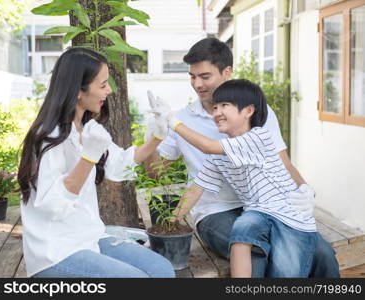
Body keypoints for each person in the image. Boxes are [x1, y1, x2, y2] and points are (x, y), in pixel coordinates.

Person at [145, 37, 339, 277]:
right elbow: (161, 174)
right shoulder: (181, 119)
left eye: (205, 76)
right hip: (216, 211)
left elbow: (283, 162)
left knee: (322, 253)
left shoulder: (258, 117)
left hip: (266, 207)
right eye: (192, 77)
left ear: (226, 72)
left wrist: (305, 190)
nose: (197, 84)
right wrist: (154, 135)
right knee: (258, 251)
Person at [17, 47, 174, 278]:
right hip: (55, 251)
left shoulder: (88, 128)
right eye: (102, 85)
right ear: (78, 91)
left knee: (162, 270)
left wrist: (158, 135)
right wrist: (88, 158)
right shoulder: (49, 137)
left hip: (89, 236)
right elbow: (51, 205)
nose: (109, 90)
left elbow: (120, 163)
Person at [165, 79, 319, 277]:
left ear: (248, 111)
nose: (217, 112)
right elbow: (195, 190)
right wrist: (168, 223)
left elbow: (207, 145)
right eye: (215, 107)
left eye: (225, 106)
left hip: (288, 216)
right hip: (257, 212)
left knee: (285, 271)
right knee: (241, 232)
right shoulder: (219, 155)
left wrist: (174, 123)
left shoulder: (259, 137)